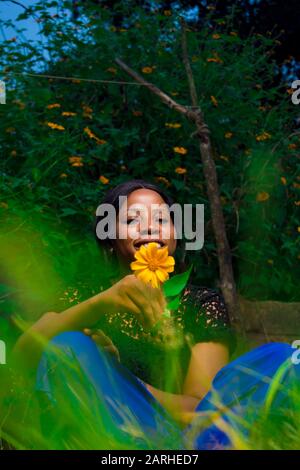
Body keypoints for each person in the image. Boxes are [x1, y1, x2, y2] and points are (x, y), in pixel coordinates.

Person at [9, 179, 300, 450]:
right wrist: (104, 303)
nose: (150, 228)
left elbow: (199, 408)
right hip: (114, 435)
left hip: (190, 439)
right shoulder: (86, 296)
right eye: (133, 220)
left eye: (162, 219)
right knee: (68, 346)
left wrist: (118, 375)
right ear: (110, 238)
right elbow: (22, 358)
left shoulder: (200, 303)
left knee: (284, 359)